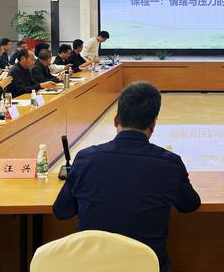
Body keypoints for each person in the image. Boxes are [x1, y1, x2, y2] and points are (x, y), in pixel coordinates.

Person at [53, 81, 201, 272]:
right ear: (153, 124)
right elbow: (190, 205)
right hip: (147, 267)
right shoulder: (170, 163)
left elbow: (61, 211)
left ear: (116, 120)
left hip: (92, 267)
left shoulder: (86, 159)